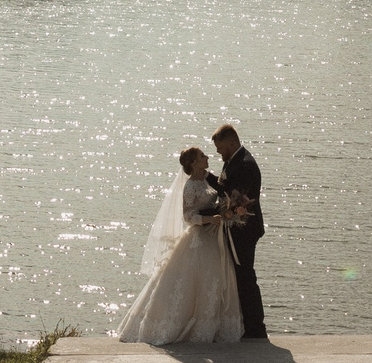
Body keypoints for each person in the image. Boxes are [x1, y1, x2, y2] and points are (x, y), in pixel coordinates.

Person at [112, 146, 243, 344]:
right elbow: (188, 216)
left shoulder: (208, 178)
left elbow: (222, 193)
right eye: (202, 156)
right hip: (199, 238)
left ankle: (210, 325)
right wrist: (210, 220)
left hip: (213, 238)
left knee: (213, 281)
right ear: (193, 163)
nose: (207, 157)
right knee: (191, 281)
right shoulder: (190, 186)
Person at [209, 121, 267, 339]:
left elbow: (234, 198)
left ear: (232, 143)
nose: (219, 153)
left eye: (221, 149)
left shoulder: (244, 165)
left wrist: (206, 179)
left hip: (244, 230)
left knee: (245, 277)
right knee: (241, 277)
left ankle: (255, 329)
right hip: (238, 229)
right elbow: (226, 188)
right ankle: (247, 325)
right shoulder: (234, 161)